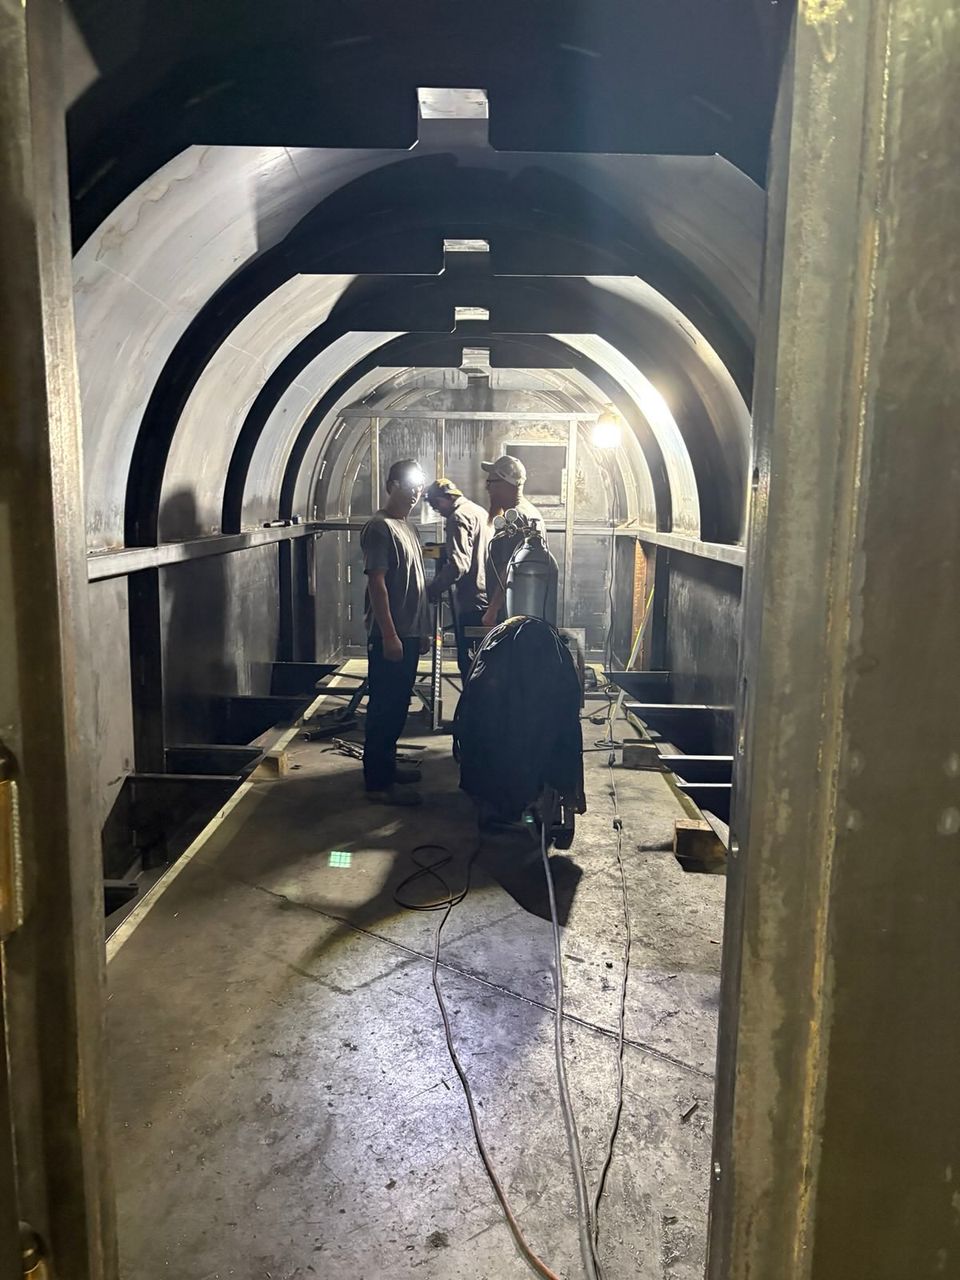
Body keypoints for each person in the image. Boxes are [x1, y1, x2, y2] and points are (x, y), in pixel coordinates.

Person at [360, 459, 431, 806]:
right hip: (391, 634)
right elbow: (377, 583)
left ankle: (387, 769)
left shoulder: (409, 527)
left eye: (418, 485)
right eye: (407, 484)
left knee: (399, 706)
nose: (415, 491)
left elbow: (418, 585)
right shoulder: (379, 527)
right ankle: (377, 783)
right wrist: (389, 635)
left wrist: (424, 629)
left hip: (410, 632)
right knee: (384, 709)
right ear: (390, 485)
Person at [424, 478, 492, 681]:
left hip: (473, 603)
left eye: (436, 504)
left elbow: (458, 565)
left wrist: (432, 589)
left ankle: (471, 712)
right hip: (489, 601)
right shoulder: (479, 511)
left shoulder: (458, 517)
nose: (437, 511)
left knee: (470, 667)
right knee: (485, 666)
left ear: (447, 498)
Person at [480, 454, 548, 628]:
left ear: (507, 484)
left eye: (491, 482)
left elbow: (510, 567)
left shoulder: (515, 518)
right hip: (527, 607)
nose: (487, 488)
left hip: (511, 612)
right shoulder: (531, 512)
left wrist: (493, 610)